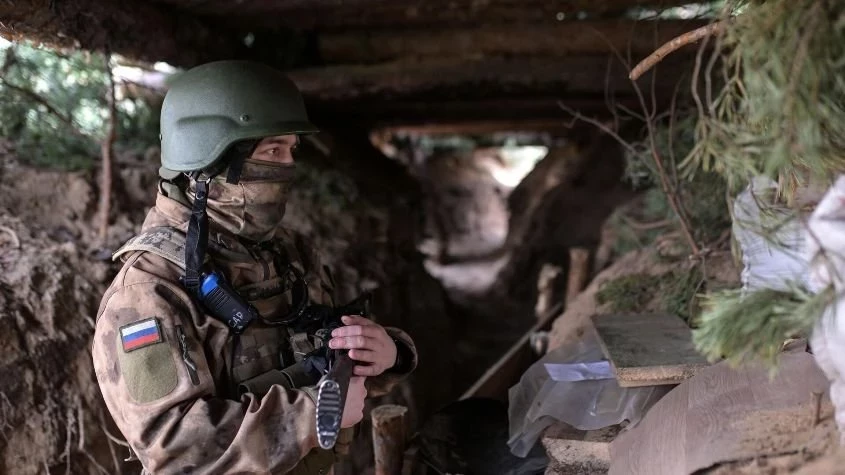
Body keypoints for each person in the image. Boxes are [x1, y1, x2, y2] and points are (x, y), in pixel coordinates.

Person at [92, 60, 418, 474]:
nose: (287, 167)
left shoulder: (288, 253)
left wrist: (385, 354)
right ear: (208, 161)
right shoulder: (148, 291)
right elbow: (175, 449)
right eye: (272, 151)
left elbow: (321, 356)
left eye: (291, 151)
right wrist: (310, 415)